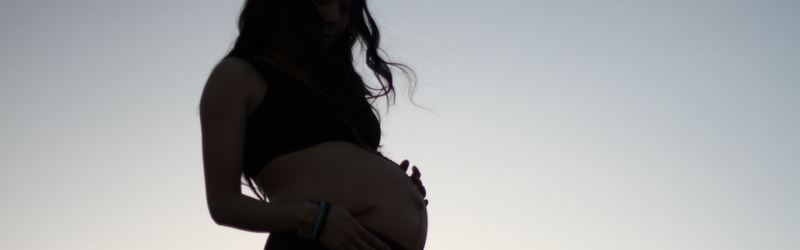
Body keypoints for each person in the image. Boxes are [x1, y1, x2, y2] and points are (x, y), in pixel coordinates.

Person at [199, 0, 428, 249]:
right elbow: (223, 204)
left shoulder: (336, 87)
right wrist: (314, 220)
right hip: (315, 240)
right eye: (321, 1)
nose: (334, 19)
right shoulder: (238, 75)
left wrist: (402, 187)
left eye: (345, 9)